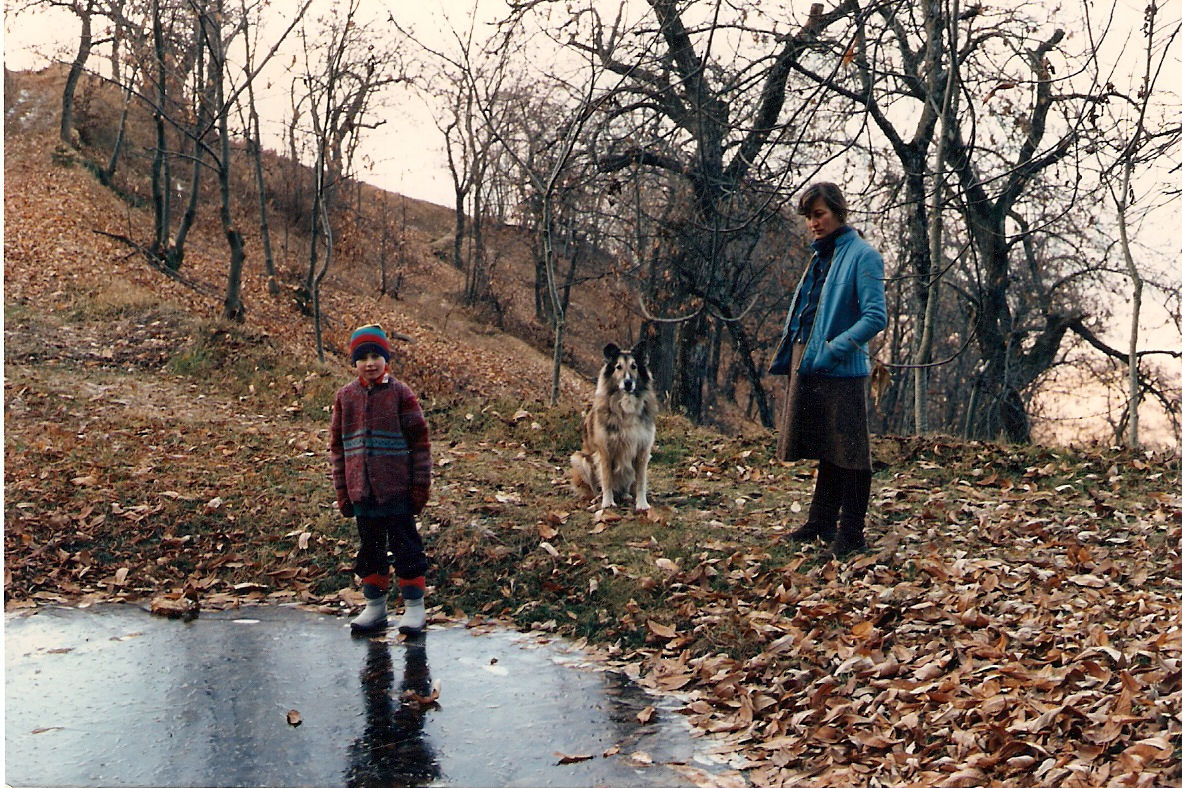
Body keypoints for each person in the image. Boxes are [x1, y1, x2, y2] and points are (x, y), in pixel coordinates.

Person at [768, 183, 888, 559]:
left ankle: (851, 534)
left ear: (838, 212)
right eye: (808, 216)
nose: (813, 223)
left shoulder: (863, 256)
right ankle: (821, 521)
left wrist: (835, 349)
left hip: (843, 367)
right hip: (810, 360)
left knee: (851, 454)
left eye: (819, 214)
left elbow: (875, 317)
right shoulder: (821, 256)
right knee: (828, 447)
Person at [331, 324, 432, 634]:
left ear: (387, 359)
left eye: (376, 355)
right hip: (363, 493)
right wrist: (343, 491)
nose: (370, 363)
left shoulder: (401, 394)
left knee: (406, 548)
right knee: (370, 550)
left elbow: (420, 443)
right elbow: (338, 448)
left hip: (397, 492)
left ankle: (414, 608)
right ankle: (375, 609)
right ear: (354, 362)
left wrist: (419, 487)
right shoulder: (345, 397)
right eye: (363, 357)